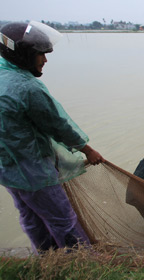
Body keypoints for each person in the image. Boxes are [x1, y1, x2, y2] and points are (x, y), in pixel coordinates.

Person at [0, 21, 104, 254]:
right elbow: (58, 125)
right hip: (33, 171)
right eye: (40, 55)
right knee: (63, 220)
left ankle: (48, 259)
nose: (44, 60)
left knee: (30, 217)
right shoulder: (27, 88)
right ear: (24, 55)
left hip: (7, 169)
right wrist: (88, 151)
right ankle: (84, 267)